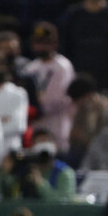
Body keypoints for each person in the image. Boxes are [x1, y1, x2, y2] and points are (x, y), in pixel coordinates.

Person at [22, 22, 75, 152]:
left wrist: (41, 105)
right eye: (38, 42)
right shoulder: (31, 68)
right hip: (36, 124)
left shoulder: (62, 65)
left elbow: (61, 98)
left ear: (54, 43)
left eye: (46, 43)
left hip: (57, 122)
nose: (41, 47)